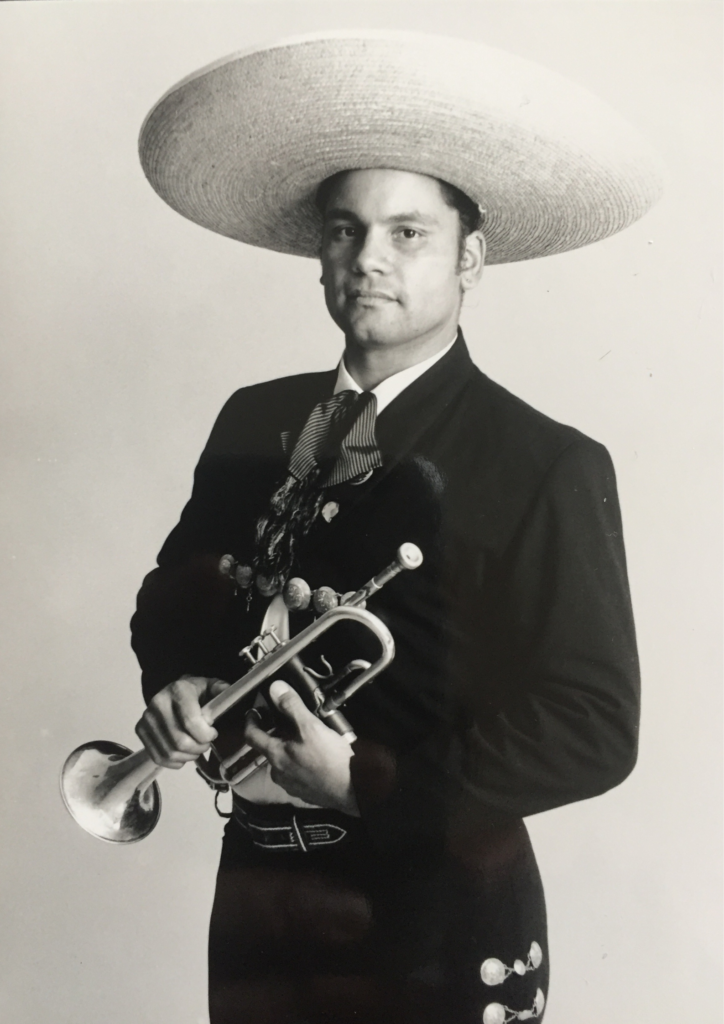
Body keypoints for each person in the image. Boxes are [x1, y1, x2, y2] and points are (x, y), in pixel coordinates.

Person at [130, 31, 661, 1024]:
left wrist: (372, 781)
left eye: (407, 234)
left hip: (437, 913)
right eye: (344, 230)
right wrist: (177, 682)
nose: (368, 259)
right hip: (258, 896)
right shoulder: (255, 417)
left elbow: (594, 726)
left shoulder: (547, 462)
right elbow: (178, 592)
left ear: (471, 258)